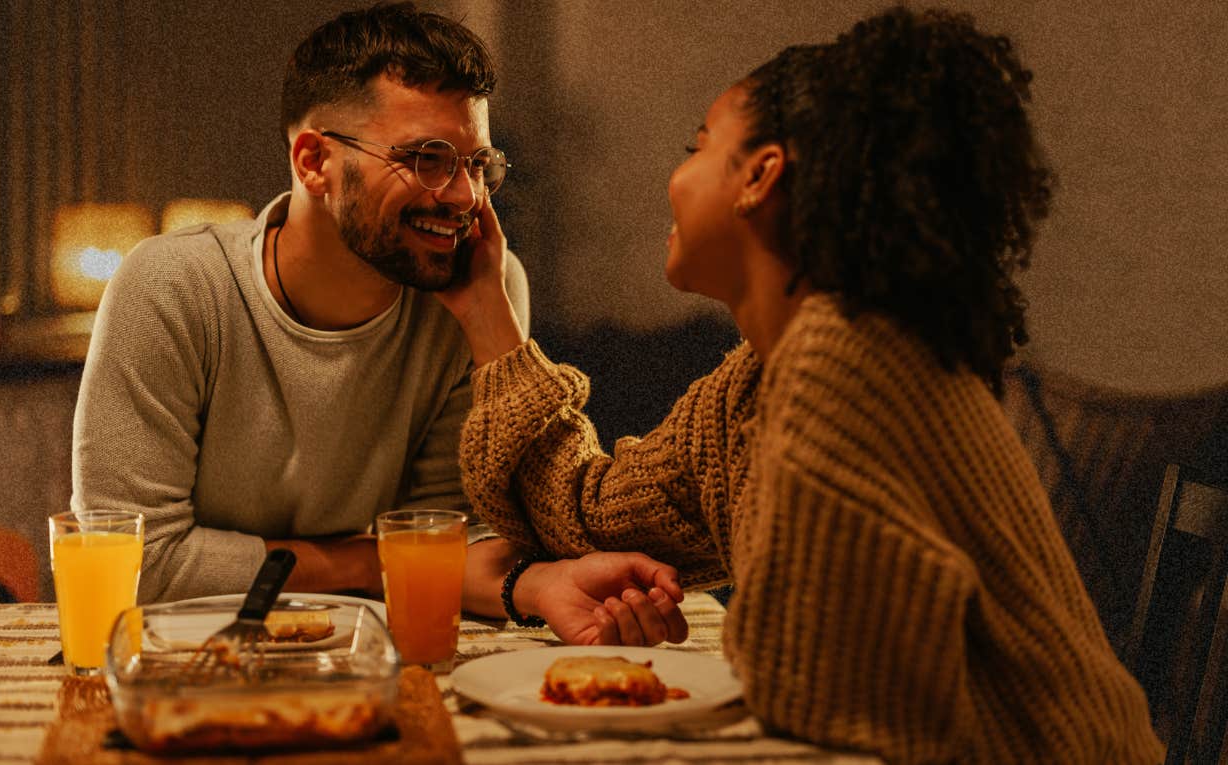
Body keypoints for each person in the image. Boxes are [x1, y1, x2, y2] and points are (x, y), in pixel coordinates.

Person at [438, 7, 1164, 763]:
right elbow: (584, 518)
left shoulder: (843, 362)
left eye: (698, 147)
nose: (674, 177)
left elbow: (821, 699)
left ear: (760, 176)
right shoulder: (758, 379)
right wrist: (488, 306)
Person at [71, 2, 686, 648]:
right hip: (185, 663)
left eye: (477, 164)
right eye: (427, 158)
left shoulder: (483, 290)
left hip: (367, 659)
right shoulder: (172, 289)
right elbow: (138, 563)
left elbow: (452, 545)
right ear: (314, 162)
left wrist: (489, 322)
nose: (465, 197)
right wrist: (372, 560)